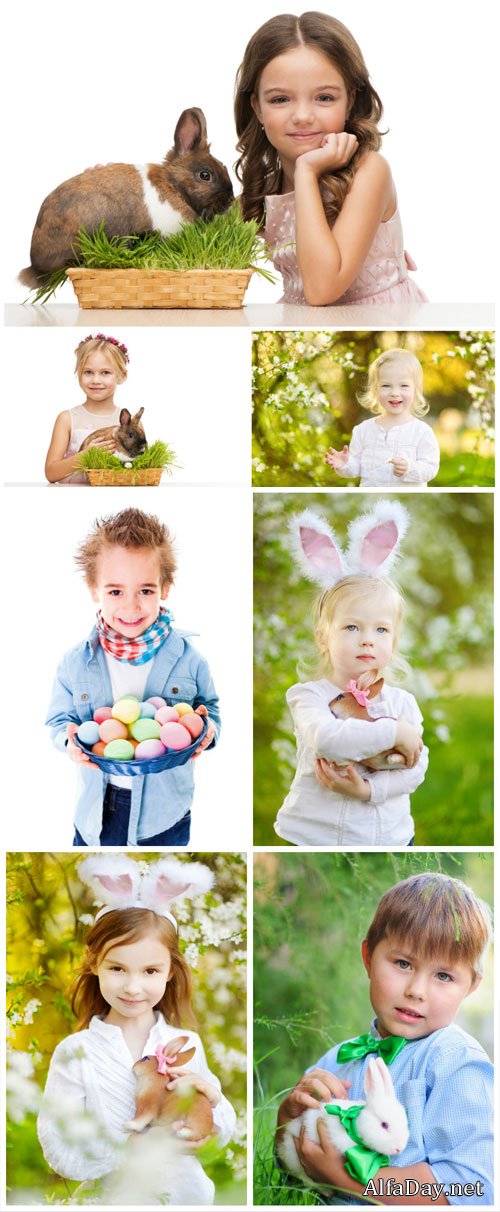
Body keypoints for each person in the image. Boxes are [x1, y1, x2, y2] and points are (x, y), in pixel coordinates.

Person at [275, 871, 493, 1206]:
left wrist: (348, 1180)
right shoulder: (338, 1061)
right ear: (368, 958)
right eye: (403, 963)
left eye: (444, 976)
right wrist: (288, 1123)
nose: (416, 991)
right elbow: (294, 1179)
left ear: (470, 986)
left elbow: (471, 1187)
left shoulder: (454, 1061)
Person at [38, 855, 236, 1206]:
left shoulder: (184, 1043)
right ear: (95, 962)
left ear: (170, 971)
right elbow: (58, 1142)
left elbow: (218, 1133)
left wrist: (212, 1100)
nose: (132, 987)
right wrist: (127, 1147)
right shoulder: (76, 1050)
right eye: (117, 968)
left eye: (149, 971)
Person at [45, 507, 219, 846]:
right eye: (115, 591)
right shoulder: (76, 662)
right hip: (97, 809)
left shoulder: (188, 658)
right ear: (93, 588)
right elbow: (57, 719)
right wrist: (68, 741)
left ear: (165, 587)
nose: (131, 606)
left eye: (145, 590)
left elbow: (209, 708)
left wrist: (208, 729)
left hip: (165, 812)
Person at [235, 12, 427, 307]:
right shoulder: (265, 189)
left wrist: (306, 172)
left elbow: (322, 289)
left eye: (324, 98)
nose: (302, 117)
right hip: (304, 326)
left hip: (378, 322)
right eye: (280, 99)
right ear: (257, 108)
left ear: (350, 101)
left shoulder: (369, 172)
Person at [274, 501, 427, 846]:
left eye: (381, 630)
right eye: (352, 627)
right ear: (323, 637)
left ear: (394, 639)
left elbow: (415, 766)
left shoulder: (402, 702)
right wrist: (395, 732)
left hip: (388, 836)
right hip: (314, 837)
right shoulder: (308, 696)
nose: (367, 640)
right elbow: (329, 740)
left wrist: (369, 790)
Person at [325, 349, 440, 487]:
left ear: (415, 390)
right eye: (386, 386)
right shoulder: (362, 430)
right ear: (375, 390)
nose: (395, 393)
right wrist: (345, 464)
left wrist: (409, 469)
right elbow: (356, 468)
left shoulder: (421, 431)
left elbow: (430, 467)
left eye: (404, 386)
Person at [45, 333, 129, 485]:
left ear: (122, 376)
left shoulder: (129, 422)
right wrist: (84, 456)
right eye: (88, 372)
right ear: (79, 374)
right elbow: (51, 473)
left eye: (105, 373)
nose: (96, 380)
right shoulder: (67, 419)